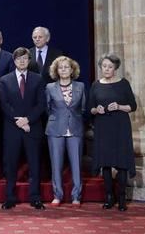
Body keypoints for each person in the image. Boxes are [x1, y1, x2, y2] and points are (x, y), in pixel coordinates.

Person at [0, 47, 46, 210]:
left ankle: (35, 197)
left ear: (29, 60)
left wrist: (28, 120)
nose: (22, 61)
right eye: (19, 59)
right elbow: (4, 104)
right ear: (14, 61)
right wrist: (18, 121)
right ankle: (10, 197)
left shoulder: (38, 79)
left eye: (25, 58)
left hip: (33, 128)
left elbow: (41, 104)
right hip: (12, 129)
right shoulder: (5, 80)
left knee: (34, 164)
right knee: (10, 165)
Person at [89, 53, 137, 211]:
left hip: (120, 127)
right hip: (103, 126)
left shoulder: (123, 84)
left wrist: (119, 107)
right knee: (106, 163)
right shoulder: (96, 85)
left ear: (115, 68)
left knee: (122, 163)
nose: (106, 69)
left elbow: (132, 106)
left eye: (110, 67)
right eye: (104, 66)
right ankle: (109, 197)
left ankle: (122, 198)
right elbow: (90, 108)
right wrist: (97, 109)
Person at [45, 56, 86, 207]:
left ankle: (76, 196)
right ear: (56, 70)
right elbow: (47, 108)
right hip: (55, 129)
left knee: (76, 164)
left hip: (75, 128)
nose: (63, 70)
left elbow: (82, 108)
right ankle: (58, 195)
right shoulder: (50, 87)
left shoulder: (80, 86)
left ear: (72, 69)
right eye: (60, 67)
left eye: (66, 67)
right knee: (56, 164)